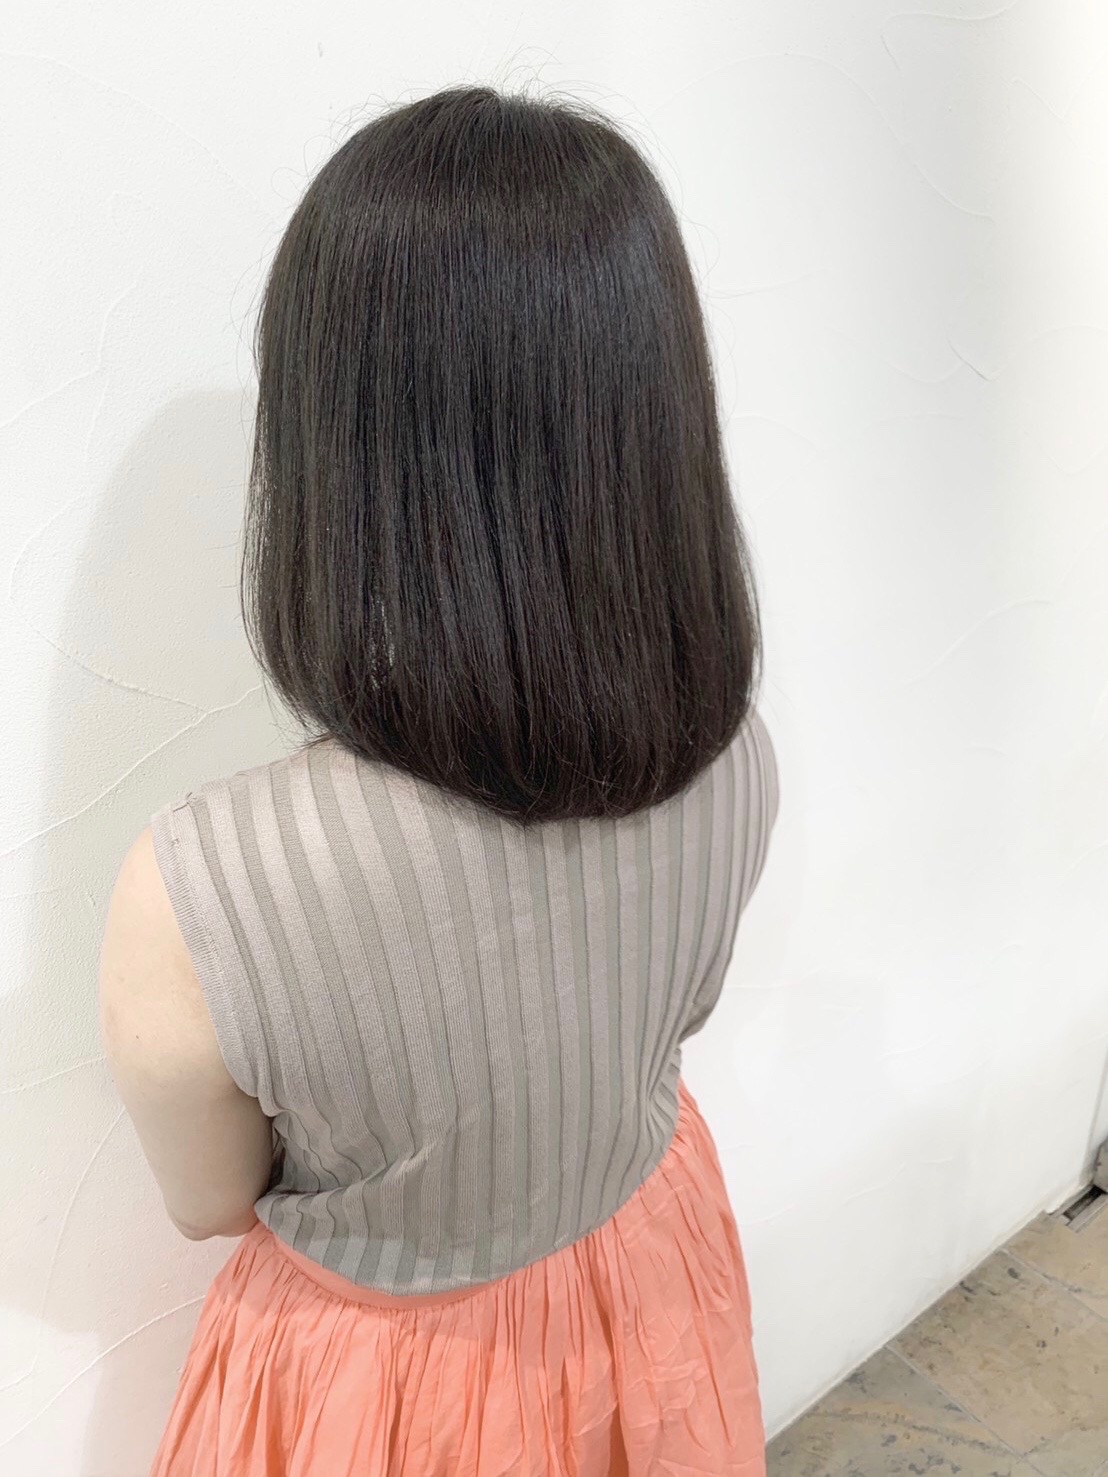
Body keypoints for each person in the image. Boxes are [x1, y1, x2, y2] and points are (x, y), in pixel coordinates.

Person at [98, 81, 780, 1477]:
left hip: (390, 1394)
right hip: (646, 1273)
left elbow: (209, 1201)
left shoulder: (201, 889)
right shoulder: (732, 756)